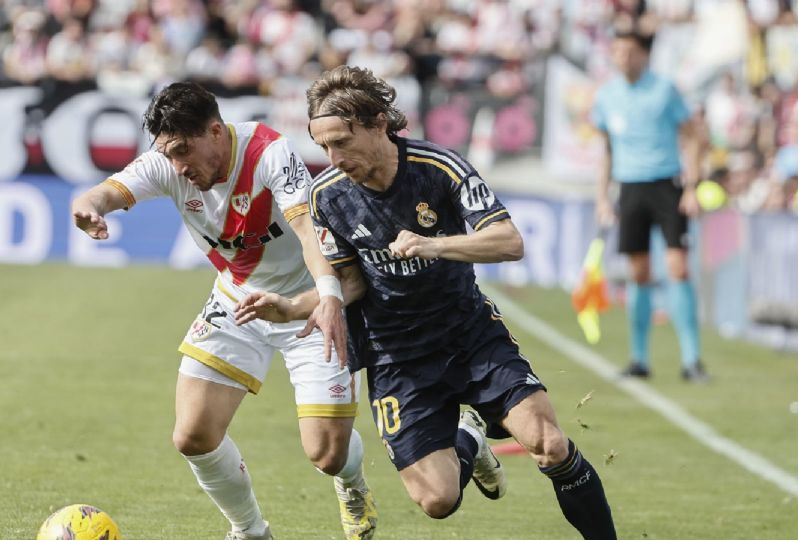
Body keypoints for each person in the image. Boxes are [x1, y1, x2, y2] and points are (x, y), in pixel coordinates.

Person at [236, 65, 617, 539]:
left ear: (378, 123)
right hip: (397, 356)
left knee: (550, 445)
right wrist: (293, 307)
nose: (333, 157)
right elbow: (349, 283)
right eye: (324, 146)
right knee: (437, 501)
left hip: (469, 335)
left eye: (342, 142)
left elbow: (509, 241)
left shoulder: (439, 168)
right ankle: (470, 438)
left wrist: (431, 244)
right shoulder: (327, 197)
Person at [72, 82, 377, 540]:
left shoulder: (271, 153)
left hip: (307, 301)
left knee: (326, 455)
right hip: (239, 300)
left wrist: (330, 297)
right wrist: (87, 207)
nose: (177, 166)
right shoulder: (167, 162)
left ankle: (352, 485)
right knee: (191, 435)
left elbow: (309, 235)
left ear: (215, 131)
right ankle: (250, 531)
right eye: (167, 153)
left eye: (182, 151)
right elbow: (104, 193)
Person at [592, 28, 707, 382]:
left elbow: (693, 137)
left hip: (667, 185)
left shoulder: (664, 89)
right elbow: (606, 150)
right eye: (618, 51)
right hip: (630, 188)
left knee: (678, 268)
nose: (623, 58)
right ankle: (639, 358)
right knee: (639, 273)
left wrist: (691, 186)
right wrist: (602, 196)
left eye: (629, 51)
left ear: (643, 55)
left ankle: (692, 360)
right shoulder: (607, 96)